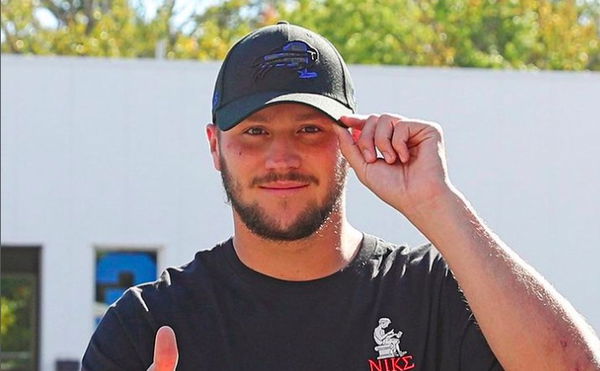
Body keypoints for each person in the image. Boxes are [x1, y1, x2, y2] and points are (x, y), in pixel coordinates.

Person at [82, 22, 600, 371]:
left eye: (310, 130)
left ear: (352, 138)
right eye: (255, 132)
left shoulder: (437, 296)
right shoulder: (147, 325)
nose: (281, 158)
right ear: (216, 147)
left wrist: (436, 203)